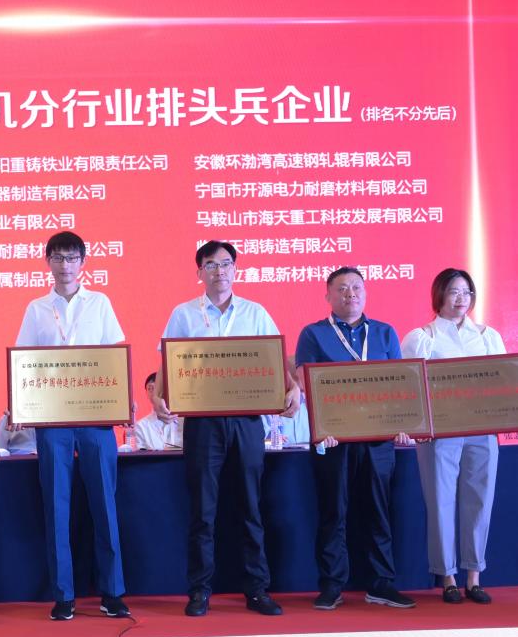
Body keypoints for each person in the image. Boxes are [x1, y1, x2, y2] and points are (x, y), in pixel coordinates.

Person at [154, 240, 299, 617]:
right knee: (203, 510)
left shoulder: (255, 312)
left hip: (247, 421)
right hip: (202, 422)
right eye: (211, 265)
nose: (219, 271)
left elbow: (276, 360)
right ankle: (200, 590)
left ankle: (257, 589)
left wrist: (293, 387)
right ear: (199, 272)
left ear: (236, 269)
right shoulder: (183, 314)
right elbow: (168, 363)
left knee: (250, 505)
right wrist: (158, 397)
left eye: (225, 264)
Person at [15, 231, 130, 621]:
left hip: (96, 418)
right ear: (48, 262)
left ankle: (112, 592)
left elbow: (114, 355)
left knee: (105, 505)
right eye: (58, 258)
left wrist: (122, 397)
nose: (65, 266)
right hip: (53, 420)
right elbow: (24, 363)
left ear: (83, 262)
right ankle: (63, 595)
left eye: (72, 258)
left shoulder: (100, 303)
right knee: (56, 506)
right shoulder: (36, 309)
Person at [294, 266, 416, 610]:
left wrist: (403, 422)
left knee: (378, 511)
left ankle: (381, 583)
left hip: (378, 440)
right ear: (328, 296)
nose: (351, 294)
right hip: (335, 440)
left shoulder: (384, 332)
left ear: (365, 293)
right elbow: (305, 383)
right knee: (334, 511)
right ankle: (332, 584)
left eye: (357, 287)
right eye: (342, 288)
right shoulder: (314, 334)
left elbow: (399, 384)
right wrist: (323, 427)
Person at [401, 268, 503, 605]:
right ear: (439, 295)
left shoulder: (488, 336)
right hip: (439, 433)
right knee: (440, 502)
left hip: (481, 430)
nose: (461, 299)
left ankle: (474, 576)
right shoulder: (421, 337)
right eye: (454, 291)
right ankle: (447, 577)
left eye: (466, 292)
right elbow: (410, 389)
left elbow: (503, 383)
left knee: (480, 502)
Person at [134, 372, 181, 451]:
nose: (154, 392)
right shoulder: (141, 426)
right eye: (150, 388)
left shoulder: (184, 422)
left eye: (158, 388)